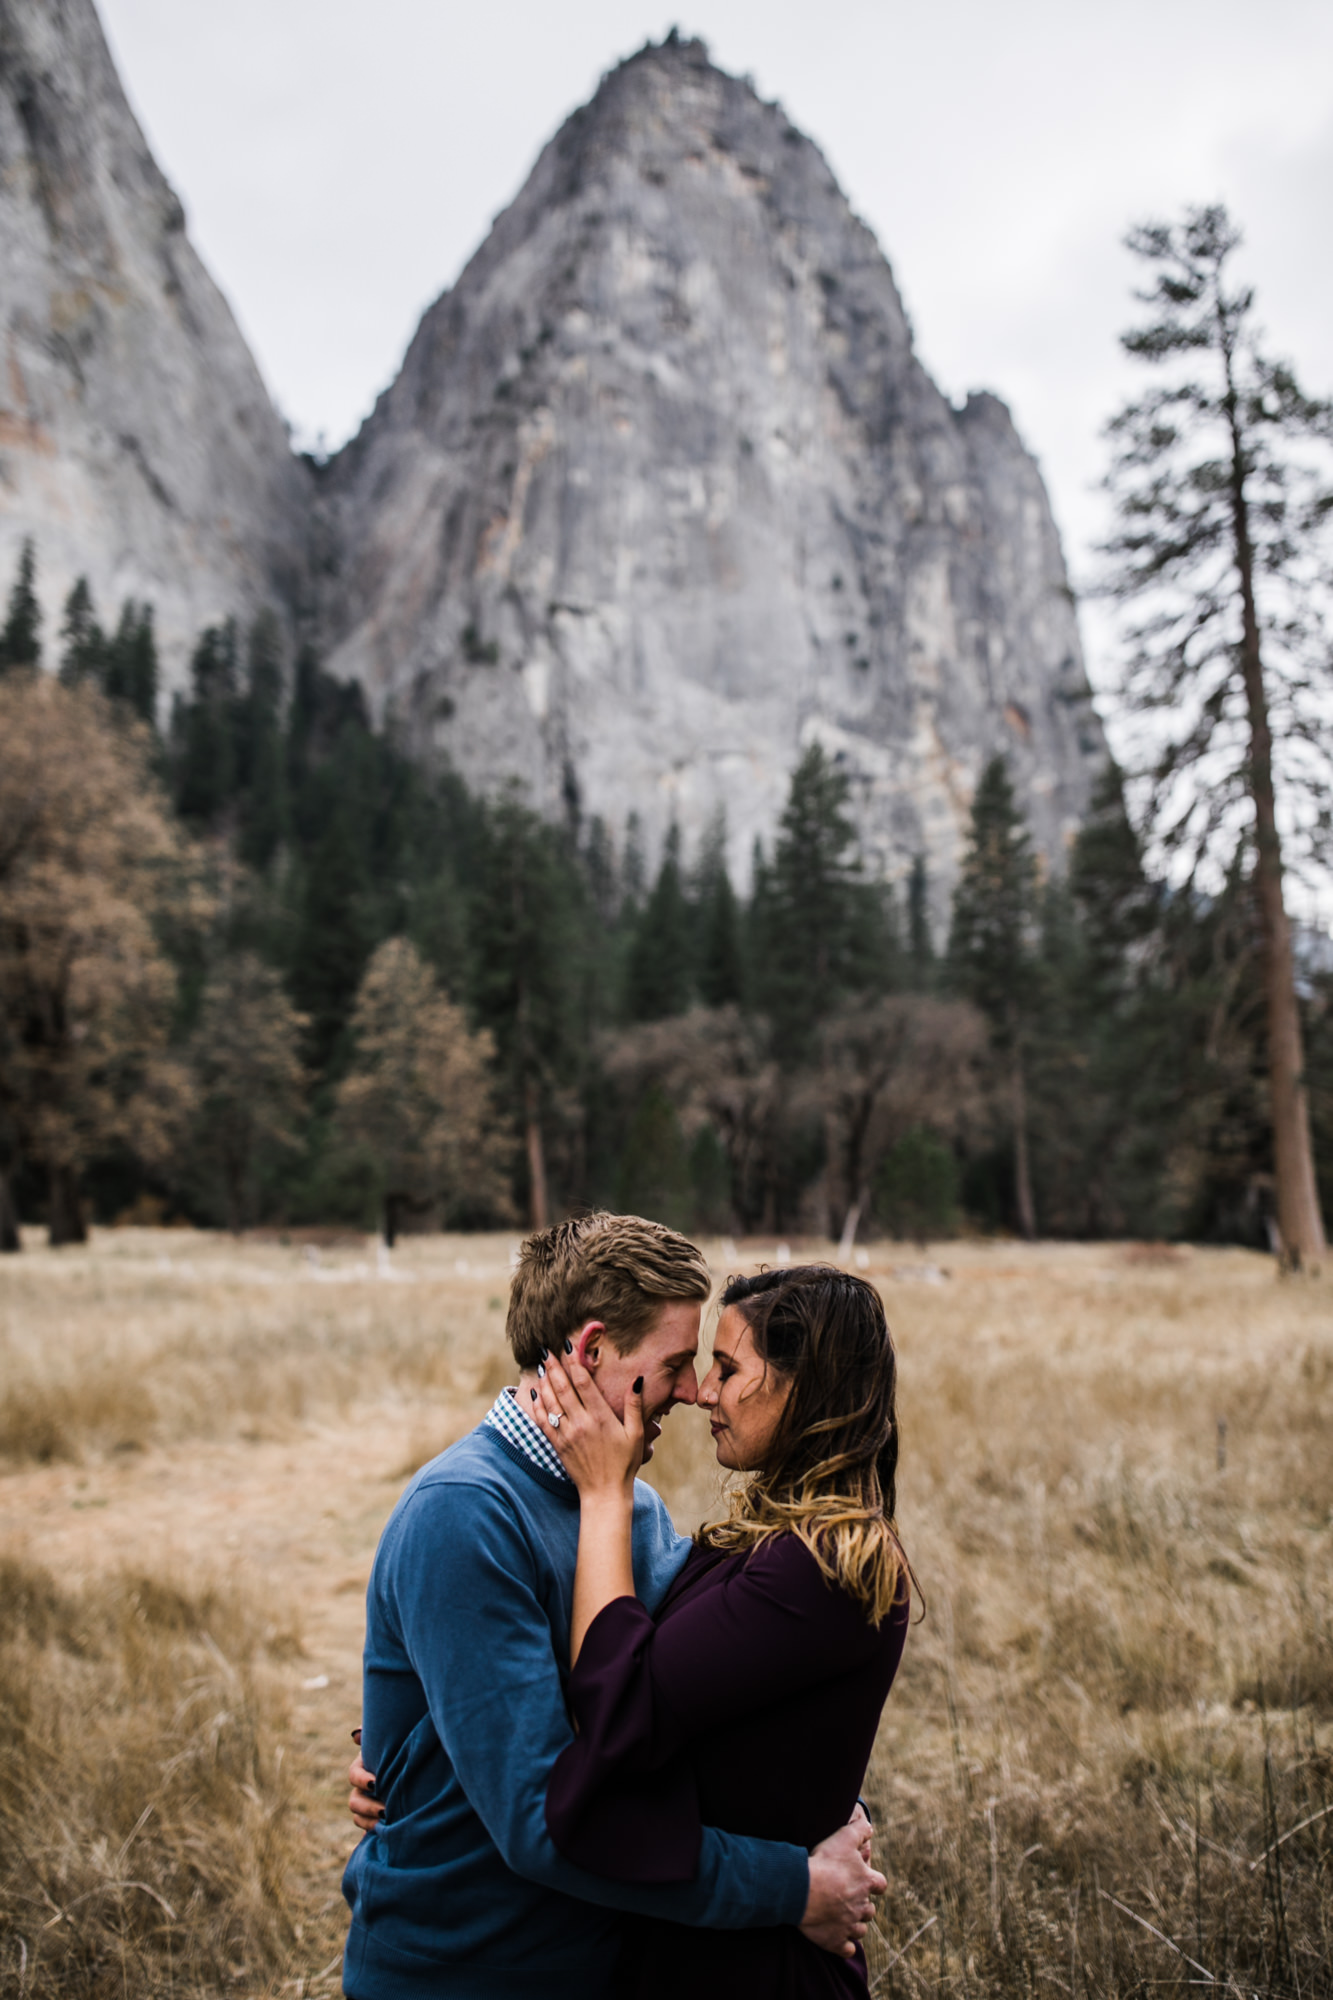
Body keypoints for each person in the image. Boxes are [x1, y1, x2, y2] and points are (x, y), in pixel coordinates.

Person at [341, 1214, 883, 2000]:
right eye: (676, 1363)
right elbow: (540, 1821)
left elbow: (683, 1708)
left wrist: (825, 1803)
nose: (695, 1392)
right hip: (469, 1972)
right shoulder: (462, 1514)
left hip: (599, 1961)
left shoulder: (632, 1512)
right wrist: (791, 1886)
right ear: (593, 1351)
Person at [533, 1262, 911, 1999]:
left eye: (728, 1369)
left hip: (751, 1972)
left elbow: (620, 1714)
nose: (702, 1391)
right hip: (699, 1950)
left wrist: (605, 1495)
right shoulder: (766, 1546)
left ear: (806, 1387)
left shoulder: (819, 1566)